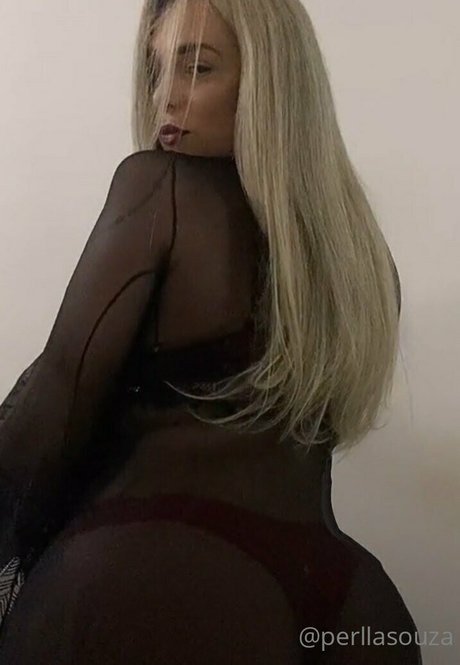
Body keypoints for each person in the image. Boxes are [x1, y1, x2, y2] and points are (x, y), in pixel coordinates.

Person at [0, 0, 423, 662]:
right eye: (156, 70)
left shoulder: (159, 190)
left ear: (271, 82)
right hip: (351, 607)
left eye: (198, 68)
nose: (164, 98)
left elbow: (54, 408)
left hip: (157, 572)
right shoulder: (362, 263)